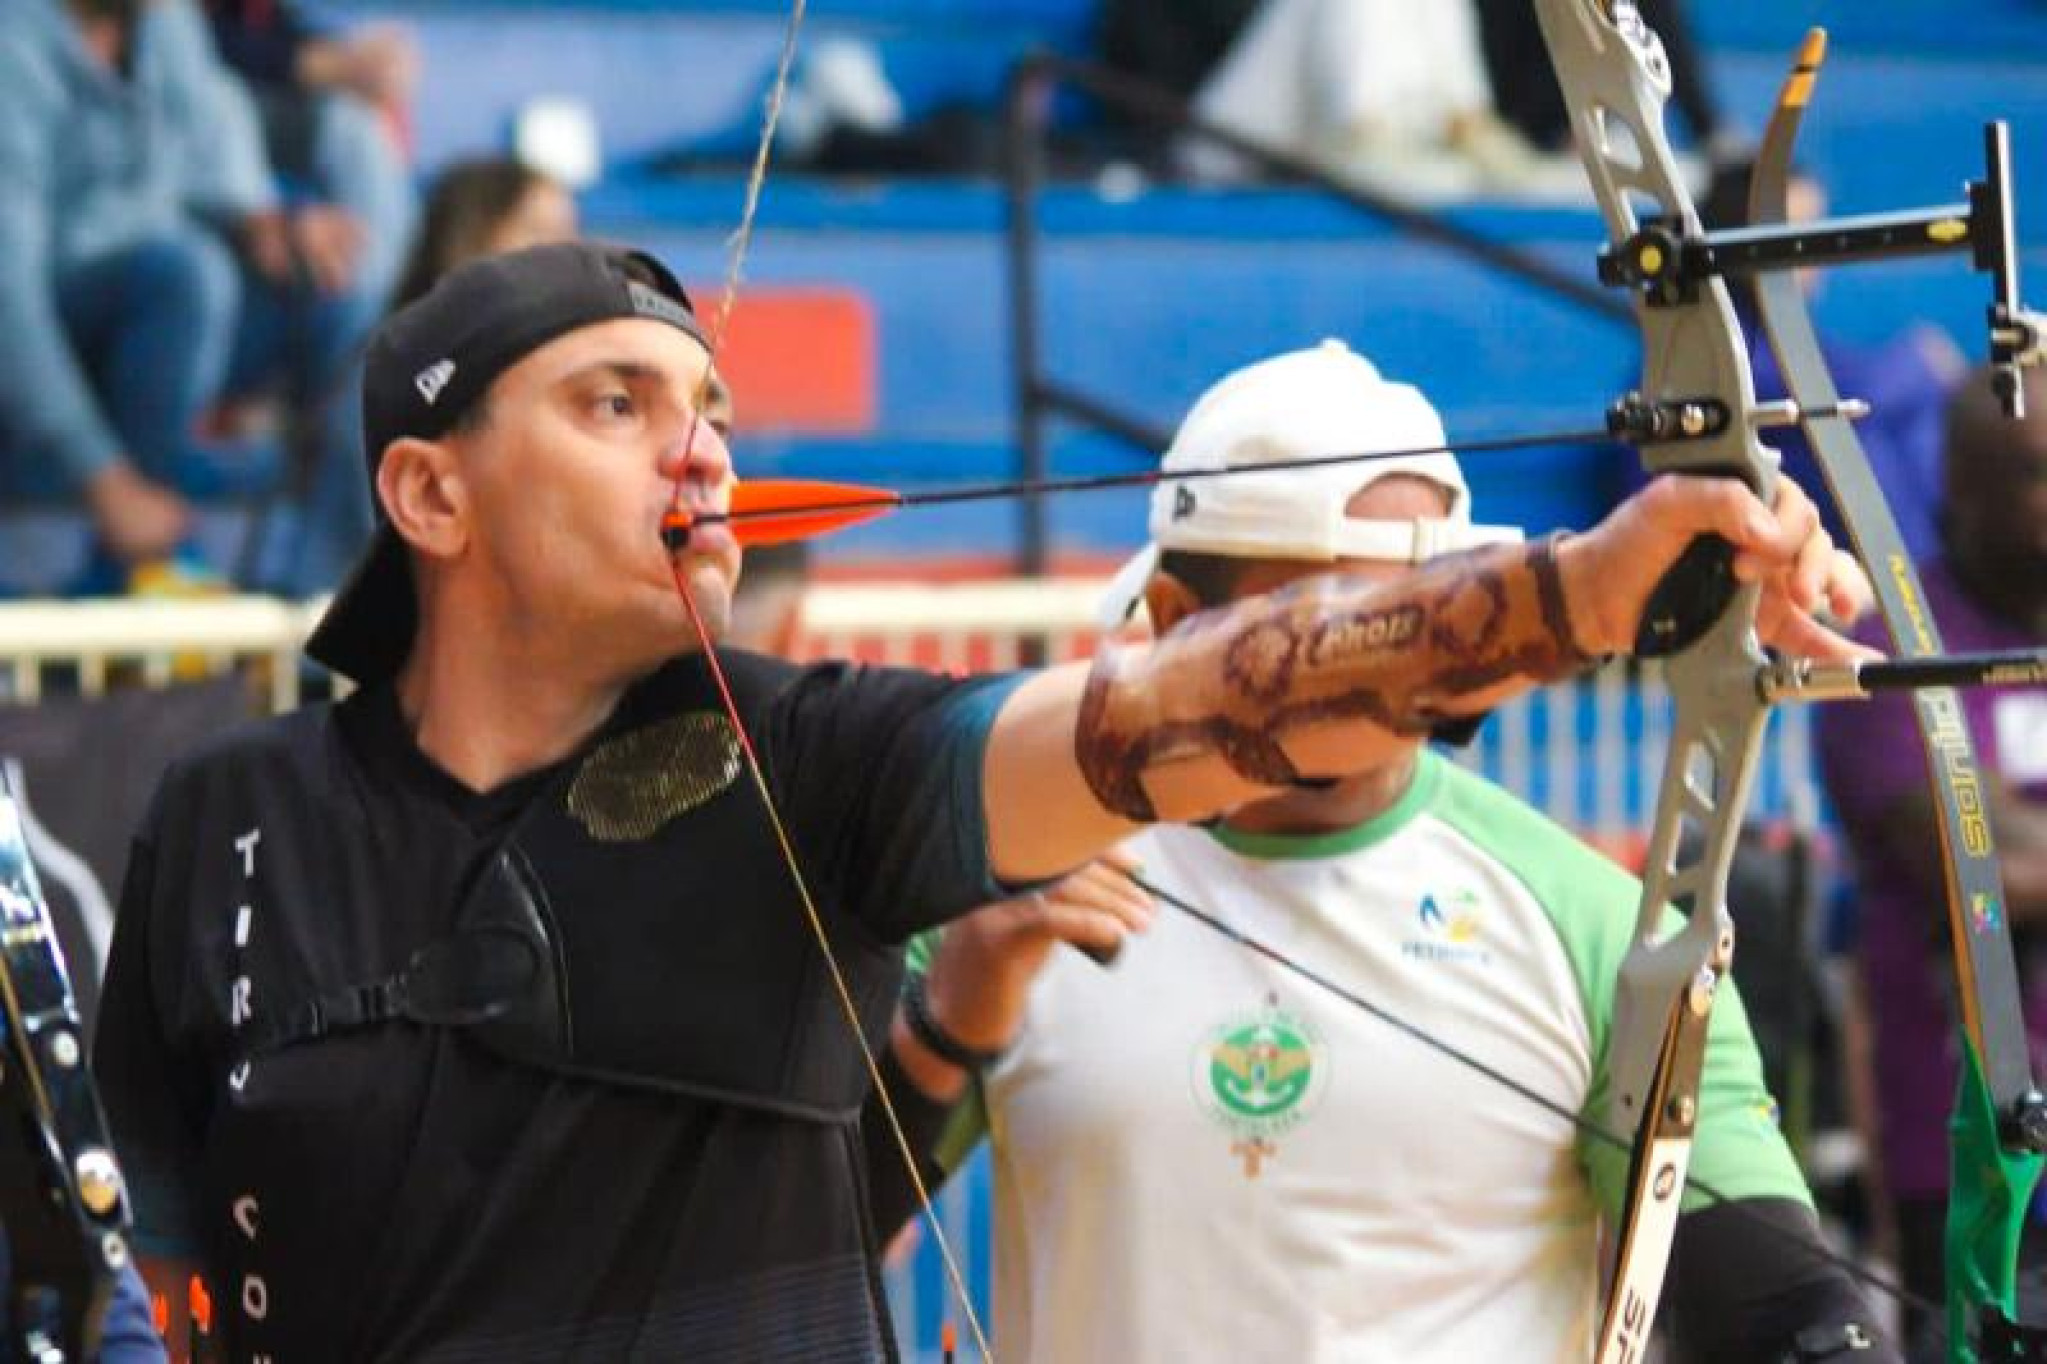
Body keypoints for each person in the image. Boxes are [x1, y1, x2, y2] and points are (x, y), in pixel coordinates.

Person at [91, 242, 1869, 1360]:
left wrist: (1566, 592)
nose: (700, 448)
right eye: (614, 401)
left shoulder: (821, 757)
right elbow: (153, 1275)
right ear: (429, 491)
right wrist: (955, 1023)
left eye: (711, 406)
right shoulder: (221, 823)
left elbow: (1163, 708)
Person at [872, 341, 1898, 1361]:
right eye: (1351, 628)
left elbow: (1784, 1317)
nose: (1415, 663)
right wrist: (946, 1016)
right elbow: (783, 1231)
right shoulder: (1013, 898)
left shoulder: (1600, 927)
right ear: (1182, 621)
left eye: (1435, 620)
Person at [1818, 363, 2047, 1359]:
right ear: (1965, 484)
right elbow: (1976, 875)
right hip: (1971, 1146)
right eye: (2037, 473)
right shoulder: (1897, 647)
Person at [0, 0, 385, 588]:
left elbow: (211, 140)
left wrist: (268, 223)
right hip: (60, 324)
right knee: (188, 274)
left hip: (167, 314)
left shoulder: (163, 19)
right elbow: (9, 303)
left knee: (336, 290)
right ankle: (125, 574)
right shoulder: (15, 42)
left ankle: (322, 606)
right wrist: (107, 481)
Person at [391, 158, 581, 312]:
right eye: (541, 230)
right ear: (472, 239)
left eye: (569, 231)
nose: (568, 249)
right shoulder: (406, 349)